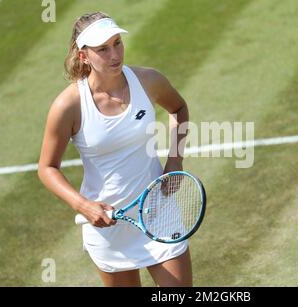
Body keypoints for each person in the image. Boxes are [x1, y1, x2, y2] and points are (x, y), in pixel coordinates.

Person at [37, 12, 191, 287]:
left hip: (159, 210)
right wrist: (84, 206)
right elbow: (47, 168)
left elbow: (178, 108)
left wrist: (175, 161)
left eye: (117, 43)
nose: (114, 54)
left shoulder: (148, 80)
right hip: (108, 227)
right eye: (102, 49)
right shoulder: (68, 106)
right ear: (84, 56)